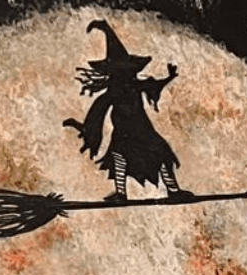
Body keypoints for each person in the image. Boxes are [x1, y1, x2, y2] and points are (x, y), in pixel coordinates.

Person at [64, 20, 189, 203]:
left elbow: (154, 85)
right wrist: (82, 127)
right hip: (126, 133)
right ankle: (124, 194)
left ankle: (171, 190)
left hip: (142, 131)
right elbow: (96, 115)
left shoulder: (131, 86)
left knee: (158, 155)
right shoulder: (115, 92)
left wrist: (169, 77)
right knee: (124, 158)